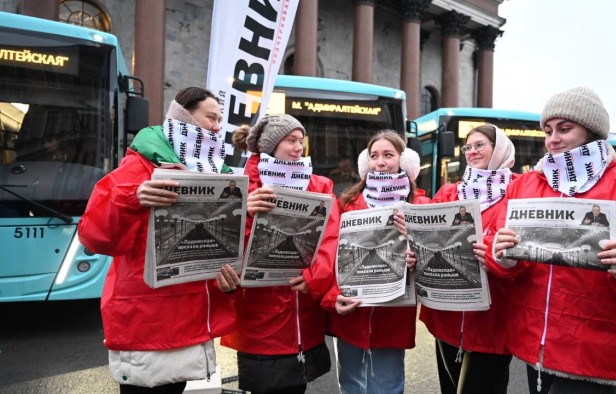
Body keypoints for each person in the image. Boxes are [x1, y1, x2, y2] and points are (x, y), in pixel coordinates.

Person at [488, 87, 616, 393]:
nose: (552, 139)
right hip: (534, 344)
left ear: (592, 131)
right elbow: (501, 250)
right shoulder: (529, 183)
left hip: (594, 350)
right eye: (547, 131)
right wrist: (504, 256)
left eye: (565, 129)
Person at [77, 87, 241, 394]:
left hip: (191, 317)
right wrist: (132, 198)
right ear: (184, 116)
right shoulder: (139, 165)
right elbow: (93, 235)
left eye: (221, 120)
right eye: (211, 118)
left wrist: (230, 280)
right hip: (147, 319)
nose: (218, 128)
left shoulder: (221, 173)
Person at [220, 114, 338, 394]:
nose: (299, 148)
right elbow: (226, 245)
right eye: (291, 141)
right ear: (271, 146)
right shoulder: (239, 187)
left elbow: (331, 238)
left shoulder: (320, 185)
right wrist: (246, 213)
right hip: (259, 326)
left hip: (304, 321)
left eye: (301, 141)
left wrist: (315, 276)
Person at [321, 130, 430, 394]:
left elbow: (434, 263)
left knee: (389, 387)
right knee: (351, 386)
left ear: (404, 162)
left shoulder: (421, 204)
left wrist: (417, 254)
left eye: (388, 155)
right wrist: (333, 296)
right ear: (365, 163)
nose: (380, 162)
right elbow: (328, 255)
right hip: (352, 313)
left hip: (393, 317)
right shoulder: (346, 203)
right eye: (374, 156)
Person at [420, 124, 517, 394]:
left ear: (499, 149)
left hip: (492, 322)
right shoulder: (450, 192)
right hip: (446, 318)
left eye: (480, 145)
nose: (472, 151)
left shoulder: (519, 191)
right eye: (468, 147)